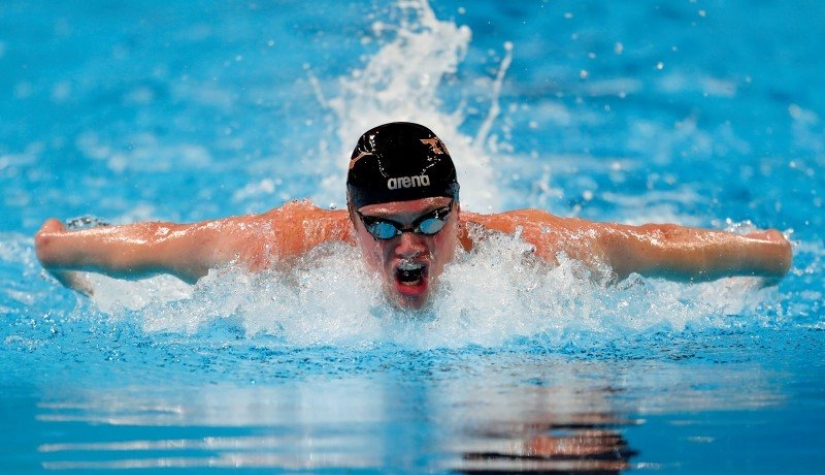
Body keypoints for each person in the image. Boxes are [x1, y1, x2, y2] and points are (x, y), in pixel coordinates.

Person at [35, 122, 793, 310]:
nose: (411, 246)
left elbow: (659, 246)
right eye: (385, 225)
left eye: (432, 221)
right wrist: (61, 252)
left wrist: (762, 255)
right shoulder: (271, 249)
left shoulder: (534, 250)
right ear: (349, 218)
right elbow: (147, 245)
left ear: (461, 211)